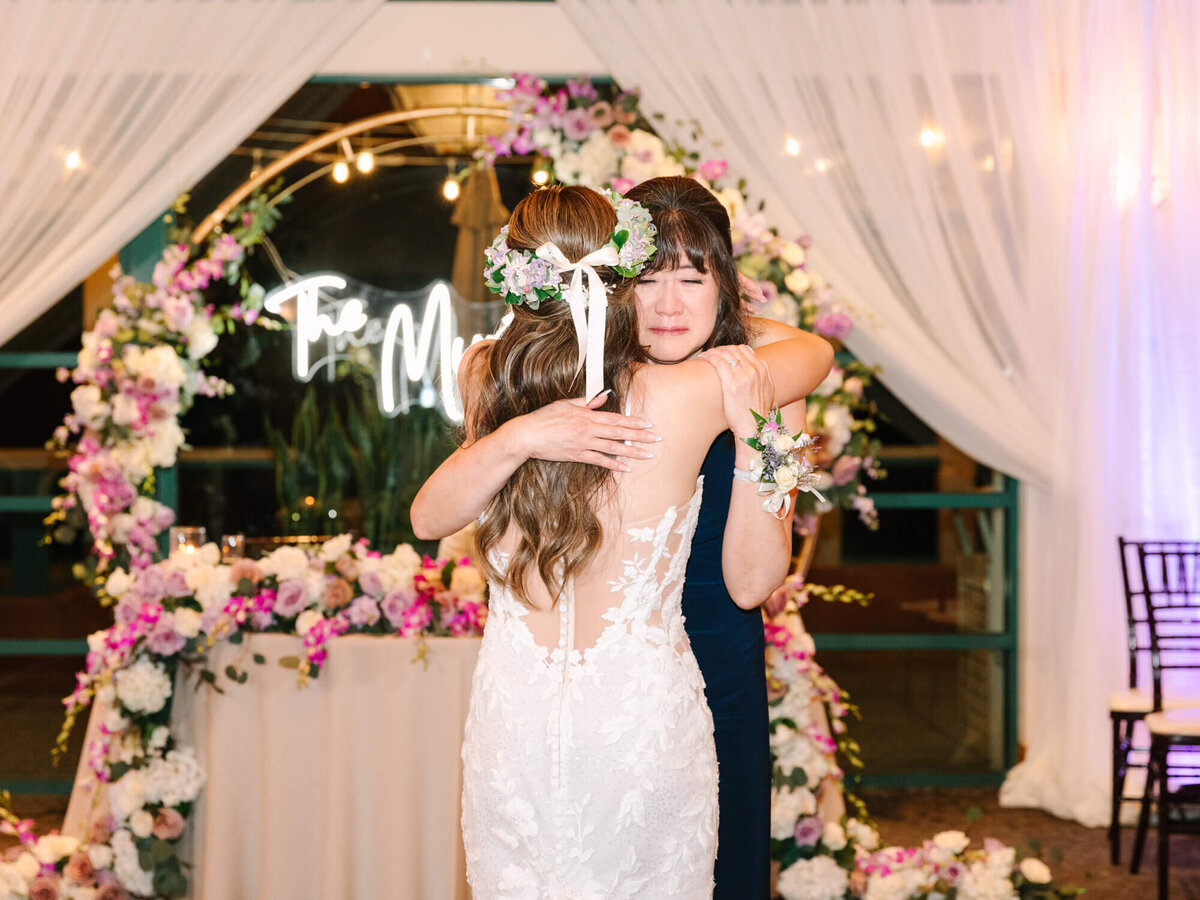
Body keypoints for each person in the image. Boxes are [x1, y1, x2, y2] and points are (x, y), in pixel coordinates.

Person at [411, 183, 832, 897]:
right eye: (646, 279)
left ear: (724, 288)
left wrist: (749, 400)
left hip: (706, 658)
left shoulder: (736, 381)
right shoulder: (538, 385)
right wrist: (524, 434)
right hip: (558, 706)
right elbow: (814, 350)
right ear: (611, 287)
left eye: (693, 280)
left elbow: (753, 579)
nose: (668, 306)